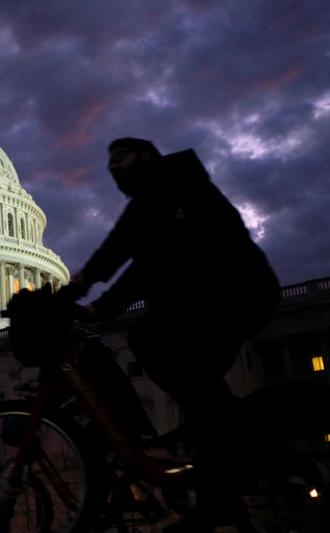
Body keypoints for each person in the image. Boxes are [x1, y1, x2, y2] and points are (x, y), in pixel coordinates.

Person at [50, 138, 279, 531]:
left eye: (121, 158)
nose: (115, 169)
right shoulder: (157, 213)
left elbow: (129, 241)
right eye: (110, 165)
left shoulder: (175, 179)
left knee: (154, 342)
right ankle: (219, 482)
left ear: (147, 155)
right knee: (187, 378)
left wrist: (84, 284)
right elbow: (143, 265)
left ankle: (223, 475)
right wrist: (94, 307)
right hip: (217, 297)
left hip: (239, 290)